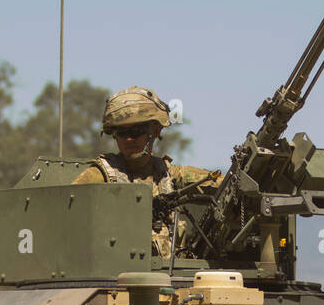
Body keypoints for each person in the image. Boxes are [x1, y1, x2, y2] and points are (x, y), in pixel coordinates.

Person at [73, 86, 218, 256]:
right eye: (122, 133)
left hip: (173, 278)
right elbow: (68, 209)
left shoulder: (170, 175)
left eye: (135, 132)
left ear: (155, 131)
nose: (128, 139)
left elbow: (221, 184)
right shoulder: (101, 175)